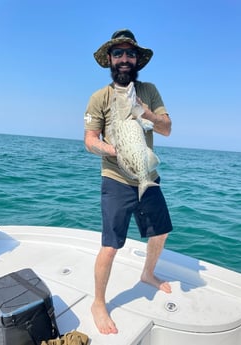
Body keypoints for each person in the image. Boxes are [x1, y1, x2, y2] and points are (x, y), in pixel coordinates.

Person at [84, 29, 173, 335]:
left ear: (137, 60)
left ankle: (148, 274)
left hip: (146, 175)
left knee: (160, 232)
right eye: (118, 53)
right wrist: (113, 151)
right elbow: (89, 140)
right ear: (110, 59)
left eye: (130, 54)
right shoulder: (100, 97)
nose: (124, 59)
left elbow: (166, 129)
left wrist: (144, 111)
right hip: (116, 177)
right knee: (110, 246)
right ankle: (98, 302)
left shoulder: (148, 90)